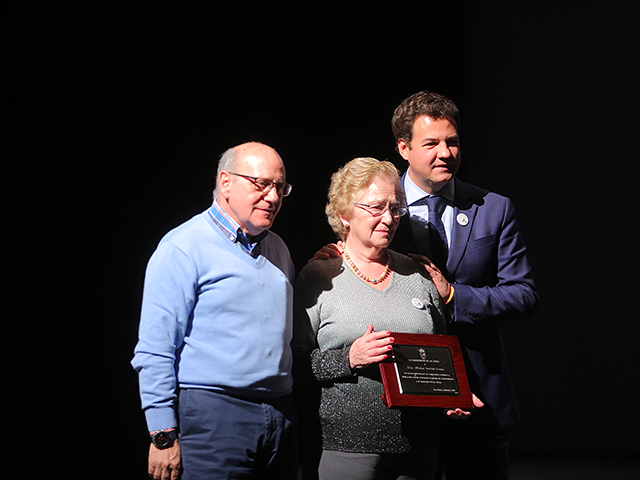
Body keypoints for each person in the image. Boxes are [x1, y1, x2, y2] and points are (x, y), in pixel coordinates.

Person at [316, 91, 539, 480]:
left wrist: (454, 296)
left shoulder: (493, 208)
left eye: (452, 141)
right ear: (403, 147)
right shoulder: (378, 203)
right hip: (402, 404)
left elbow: (524, 294)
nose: (445, 153)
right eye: (431, 143)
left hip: (478, 395)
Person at [132, 142, 298, 480]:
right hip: (214, 415)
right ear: (225, 182)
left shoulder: (278, 248)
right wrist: (162, 434)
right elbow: (155, 348)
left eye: (279, 187)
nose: (273, 197)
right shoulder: (183, 247)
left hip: (281, 414)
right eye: (260, 184)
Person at [293, 157, 451, 480]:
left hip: (420, 451)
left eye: (395, 209)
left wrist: (453, 398)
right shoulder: (318, 276)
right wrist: (348, 359)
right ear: (344, 214)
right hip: (346, 450)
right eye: (376, 207)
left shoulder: (418, 275)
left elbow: (443, 357)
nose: (389, 218)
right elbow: (293, 364)